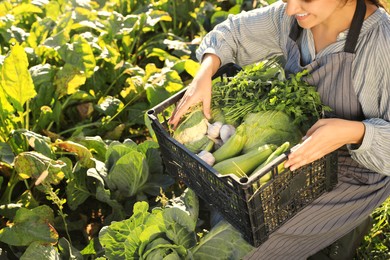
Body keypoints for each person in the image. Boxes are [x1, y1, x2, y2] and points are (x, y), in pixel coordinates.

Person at [168, 0, 390, 259]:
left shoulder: (380, 44)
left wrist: (353, 133)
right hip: (291, 152)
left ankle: (344, 225)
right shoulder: (293, 19)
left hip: (355, 169)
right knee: (224, 209)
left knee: (246, 247)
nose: (290, 9)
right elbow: (233, 32)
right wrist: (205, 73)